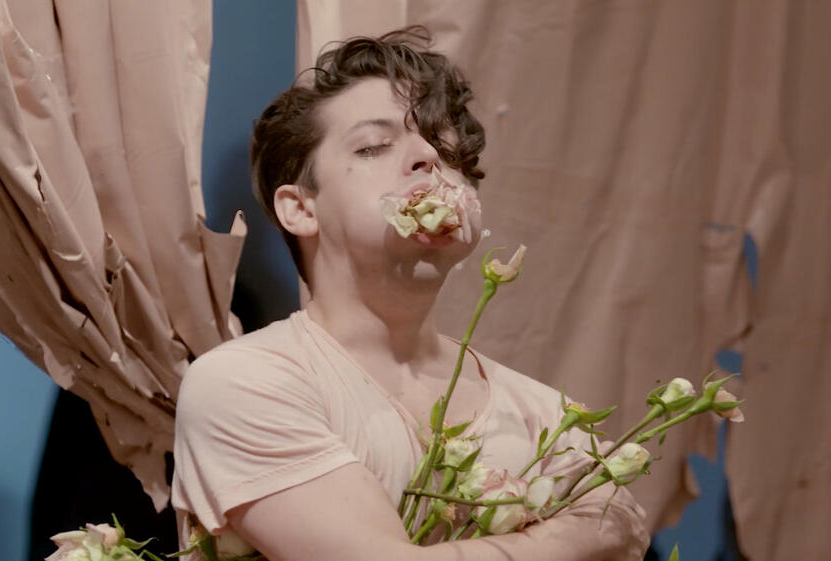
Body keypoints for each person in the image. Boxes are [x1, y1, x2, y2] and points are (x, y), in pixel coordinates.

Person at [171, 27, 649, 560]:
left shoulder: (545, 414)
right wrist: (579, 538)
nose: (427, 156)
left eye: (446, 151)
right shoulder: (246, 382)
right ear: (301, 208)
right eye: (374, 146)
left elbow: (627, 524)